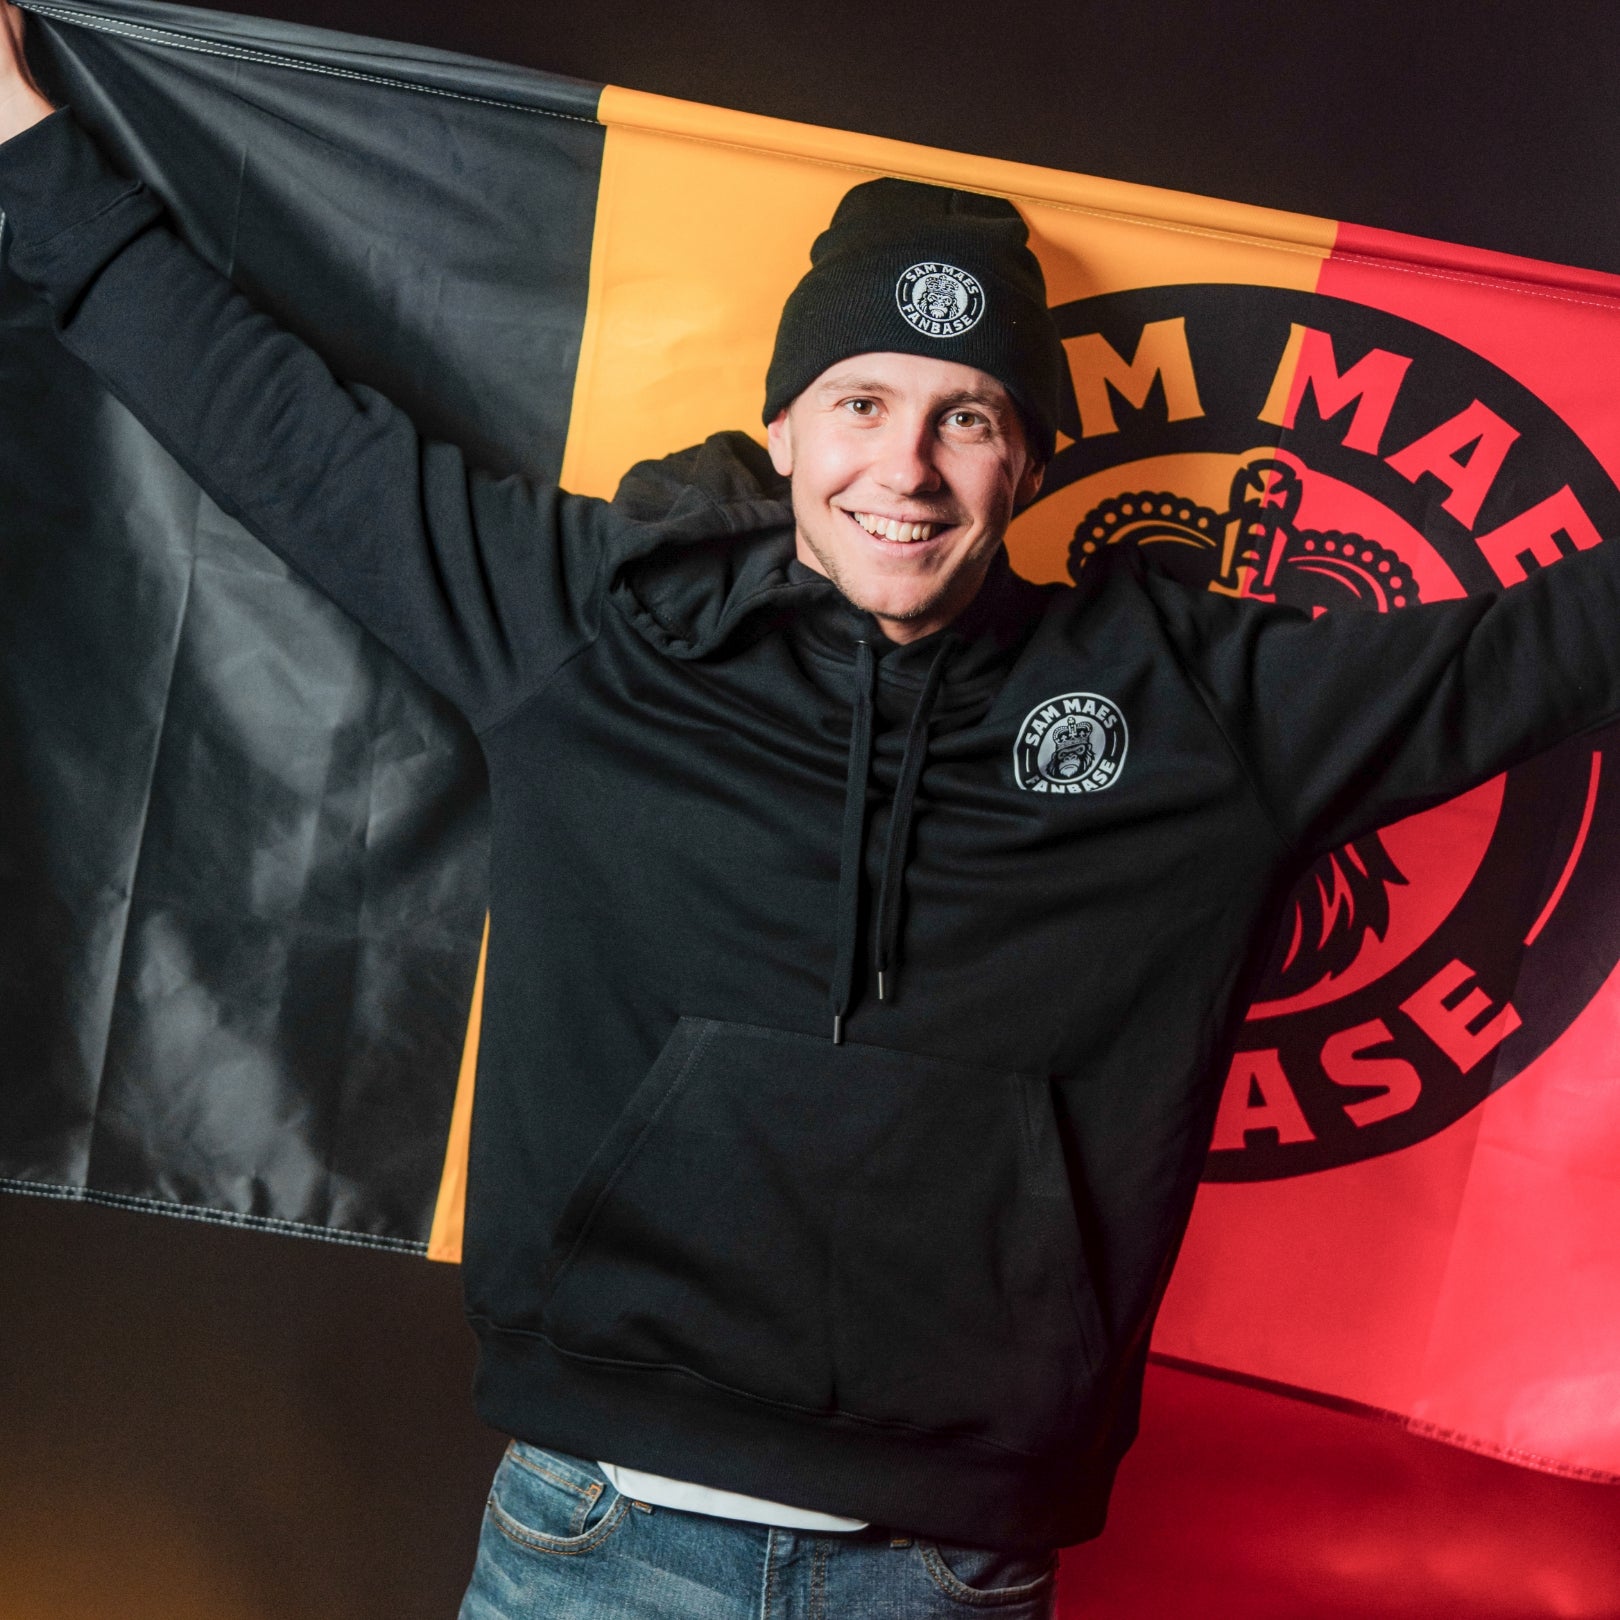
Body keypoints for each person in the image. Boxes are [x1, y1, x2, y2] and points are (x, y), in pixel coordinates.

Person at [5, 7, 1620, 1616]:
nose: (903, 469)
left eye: (966, 416)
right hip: (593, 1543)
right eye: (859, 403)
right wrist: (22, 151)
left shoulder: (1200, 707)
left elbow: (1552, 649)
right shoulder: (593, 627)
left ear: (1030, 462)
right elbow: (276, 431)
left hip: (944, 1574)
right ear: (782, 428)